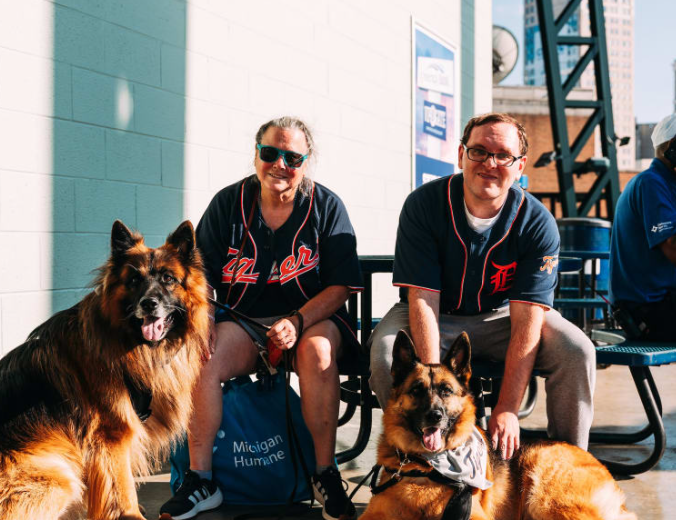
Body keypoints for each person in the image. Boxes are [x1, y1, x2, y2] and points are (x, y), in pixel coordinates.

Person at [159, 116, 362, 520]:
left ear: (306, 161)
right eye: (270, 153)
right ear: (256, 154)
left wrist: (299, 321)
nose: (280, 164)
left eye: (292, 156)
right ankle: (202, 479)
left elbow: (340, 287)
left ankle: (325, 472)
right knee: (202, 356)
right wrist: (205, 324)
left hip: (310, 320)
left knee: (318, 352)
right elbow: (201, 277)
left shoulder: (325, 206)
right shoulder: (227, 204)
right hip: (245, 321)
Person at [368, 112, 596, 460]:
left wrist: (507, 408)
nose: (489, 163)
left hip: (501, 316)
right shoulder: (425, 204)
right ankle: (419, 460)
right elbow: (423, 300)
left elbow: (528, 317)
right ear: (461, 154)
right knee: (385, 354)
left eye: (502, 154)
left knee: (576, 350)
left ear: (519, 166)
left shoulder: (536, 221)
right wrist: (438, 401)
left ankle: (571, 463)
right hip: (433, 314)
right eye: (478, 151)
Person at [610, 113, 676, 341]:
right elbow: (672, 247)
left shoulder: (666, 185)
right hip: (648, 308)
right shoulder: (651, 183)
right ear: (671, 146)